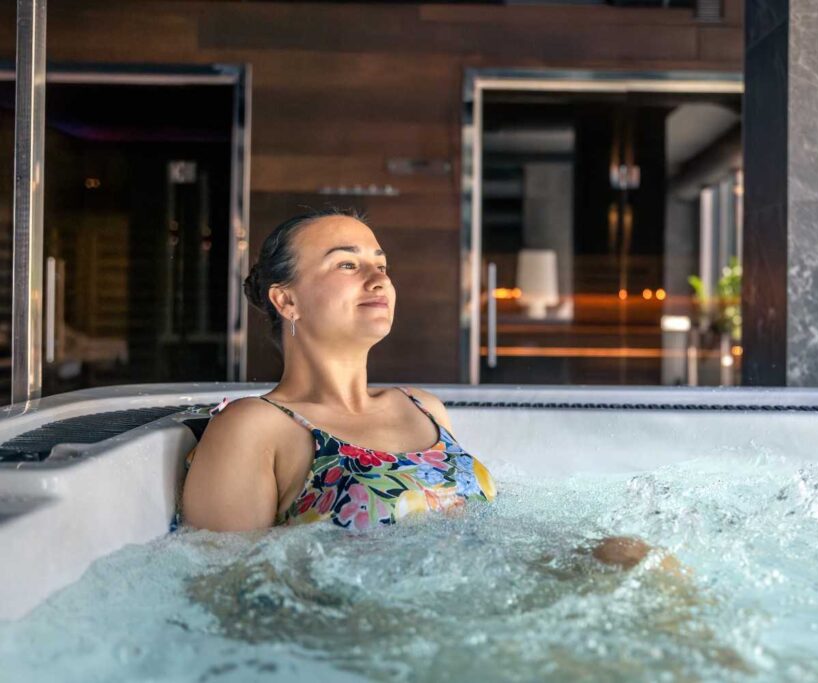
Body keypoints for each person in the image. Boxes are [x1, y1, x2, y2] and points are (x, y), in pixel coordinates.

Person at [179, 208, 673, 571]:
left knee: (635, 558)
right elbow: (225, 591)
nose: (378, 279)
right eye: (347, 265)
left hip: (491, 599)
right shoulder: (256, 426)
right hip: (389, 636)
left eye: (382, 264)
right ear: (286, 299)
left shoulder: (422, 407)